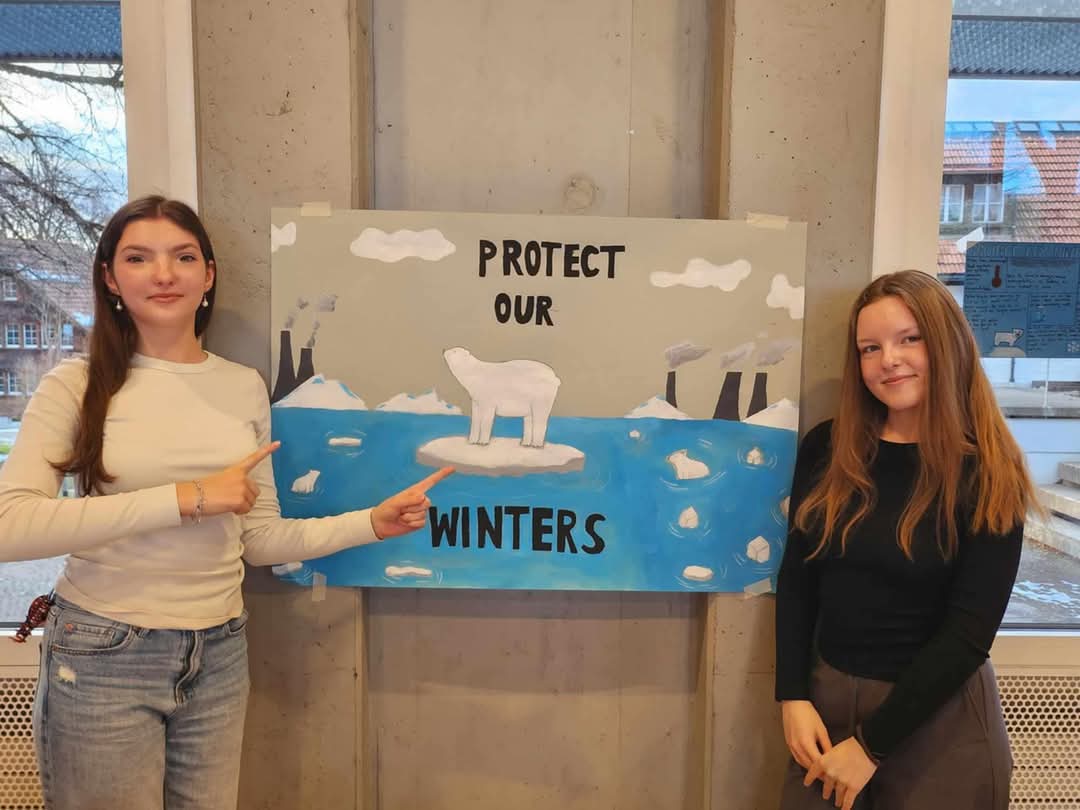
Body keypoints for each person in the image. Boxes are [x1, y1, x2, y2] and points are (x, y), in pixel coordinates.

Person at [0, 196, 453, 810]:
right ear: (109, 277)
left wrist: (371, 523)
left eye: (183, 257)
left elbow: (258, 539)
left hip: (217, 650)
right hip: (103, 653)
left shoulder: (242, 385)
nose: (164, 274)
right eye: (139, 258)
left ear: (208, 275)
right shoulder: (74, 386)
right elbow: (11, 526)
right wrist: (185, 498)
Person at [774, 270, 1036, 810]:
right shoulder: (827, 447)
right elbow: (798, 578)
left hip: (940, 721)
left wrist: (871, 747)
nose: (888, 360)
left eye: (908, 339)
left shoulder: (989, 469)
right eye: (870, 348)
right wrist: (792, 695)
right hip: (825, 710)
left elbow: (968, 634)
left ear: (947, 343)